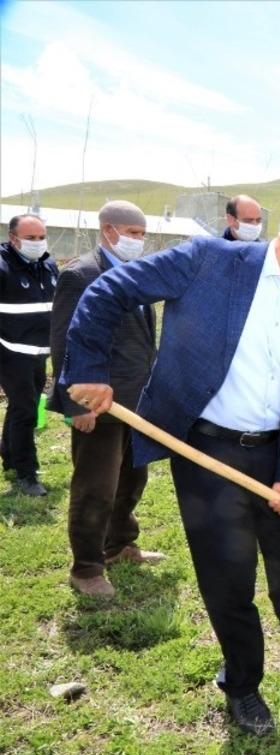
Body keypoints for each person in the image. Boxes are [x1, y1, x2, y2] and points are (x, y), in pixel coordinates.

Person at [63, 186, 280, 736]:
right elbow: (109, 290)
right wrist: (88, 368)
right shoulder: (209, 262)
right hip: (205, 452)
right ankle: (243, 686)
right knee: (228, 578)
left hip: (274, 451)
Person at [48, 201, 161, 598]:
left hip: (135, 403)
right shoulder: (80, 274)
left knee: (132, 479)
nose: (139, 241)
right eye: (133, 233)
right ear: (109, 230)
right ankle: (86, 568)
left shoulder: (135, 273)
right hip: (98, 402)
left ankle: (119, 545)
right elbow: (63, 342)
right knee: (95, 487)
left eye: (142, 234)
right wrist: (76, 404)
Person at [1, 213, 58, 496]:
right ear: (13, 239)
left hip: (37, 353)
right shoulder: (3, 267)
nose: (38, 242)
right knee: (26, 410)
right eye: (30, 238)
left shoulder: (48, 265)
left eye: (41, 237)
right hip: (9, 352)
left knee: (22, 404)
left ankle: (9, 456)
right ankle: (27, 473)